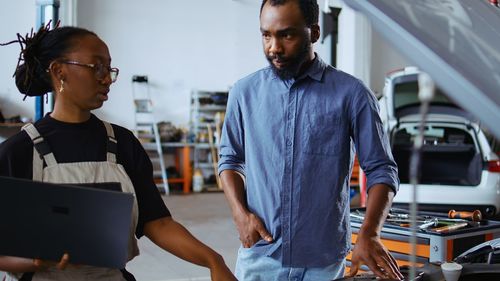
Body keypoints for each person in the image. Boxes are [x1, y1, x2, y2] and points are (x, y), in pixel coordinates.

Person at [0, 24, 236, 281]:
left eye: (109, 69)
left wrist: (213, 260)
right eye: (97, 67)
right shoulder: (19, 152)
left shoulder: (122, 143)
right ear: (59, 71)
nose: (107, 78)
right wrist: (33, 261)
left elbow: (157, 222)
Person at [218, 0, 404, 280]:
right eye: (266, 35)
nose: (274, 48)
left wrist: (370, 232)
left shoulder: (352, 94)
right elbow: (230, 160)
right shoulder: (244, 93)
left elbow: (382, 170)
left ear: (314, 33)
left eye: (287, 35)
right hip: (260, 256)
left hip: (323, 263)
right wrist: (240, 214)